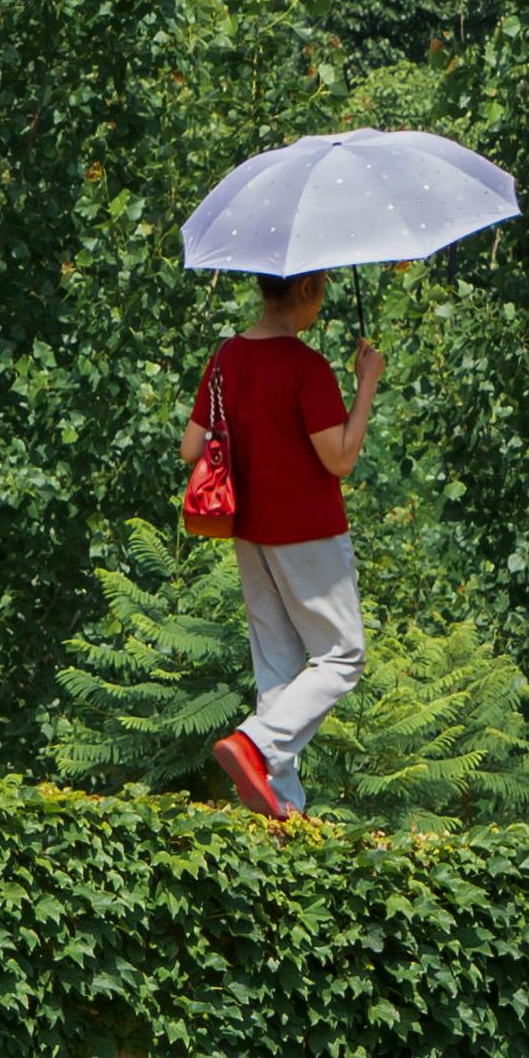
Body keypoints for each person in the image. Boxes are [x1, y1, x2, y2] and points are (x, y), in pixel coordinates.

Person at [191, 271, 376, 821]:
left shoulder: (225, 359)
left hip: (249, 531)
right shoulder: (306, 366)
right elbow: (339, 458)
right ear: (306, 290)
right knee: (343, 655)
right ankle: (256, 742)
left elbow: (189, 448)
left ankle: (281, 808)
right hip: (309, 532)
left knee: (277, 667)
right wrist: (366, 382)